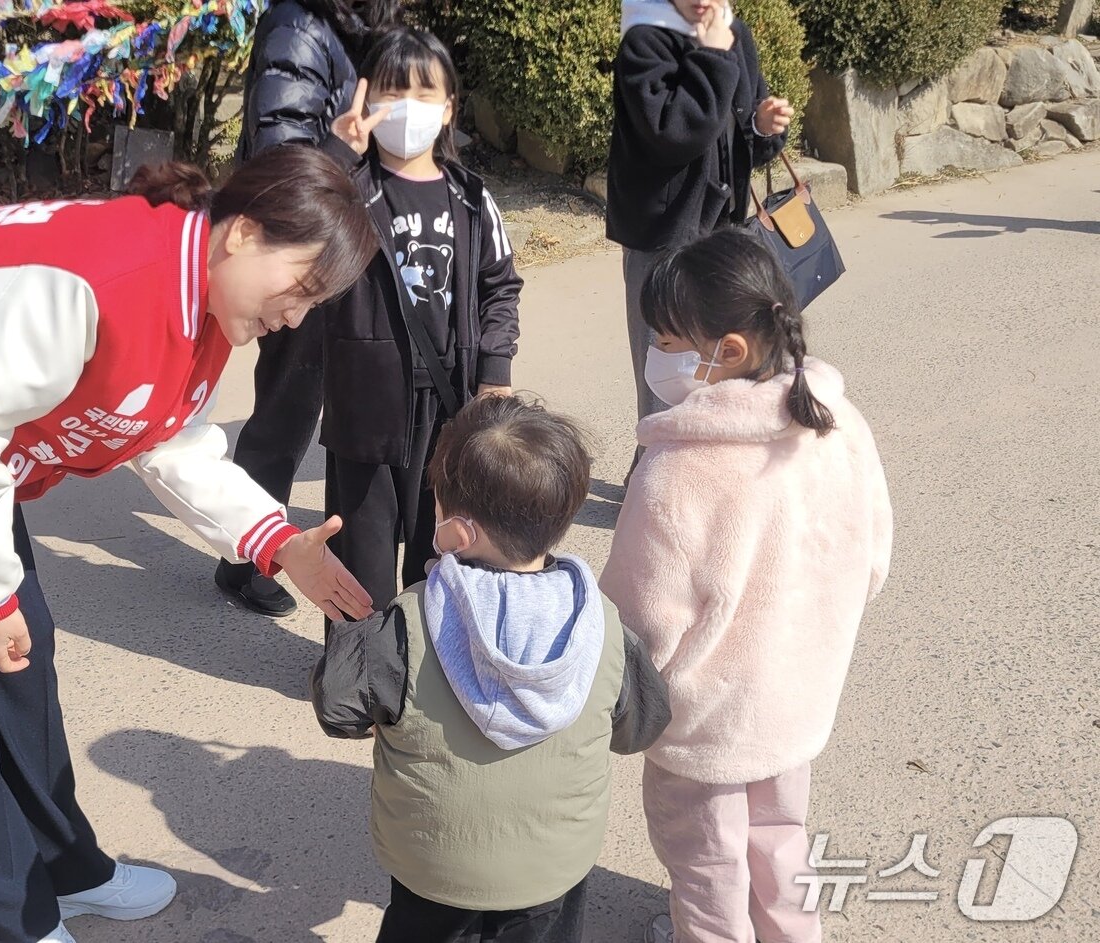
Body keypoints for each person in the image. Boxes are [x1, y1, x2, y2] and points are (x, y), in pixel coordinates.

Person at [0, 146, 378, 943]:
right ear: (244, 233)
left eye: (313, 303)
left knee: (25, 657)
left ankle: (65, 868)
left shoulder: (203, 303)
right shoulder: (90, 284)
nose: (294, 317)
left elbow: (166, 437)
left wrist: (274, 538)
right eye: (298, 289)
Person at [599, 230, 893, 943]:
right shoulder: (838, 422)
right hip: (797, 699)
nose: (657, 350)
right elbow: (872, 558)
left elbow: (639, 620)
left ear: (727, 349)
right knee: (781, 836)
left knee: (707, 863)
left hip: (706, 722)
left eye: (668, 337)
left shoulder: (680, 470)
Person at [311, 394, 672, 943]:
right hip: (553, 871)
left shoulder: (405, 626)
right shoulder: (603, 627)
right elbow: (639, 728)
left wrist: (349, 628)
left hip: (433, 870)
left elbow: (338, 708)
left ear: (457, 534)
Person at [319, 26, 522, 612]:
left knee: (442, 554)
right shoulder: (346, 191)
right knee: (363, 559)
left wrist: (494, 369)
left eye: (423, 91)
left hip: (451, 405)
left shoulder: (470, 197)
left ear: (449, 107)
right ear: (365, 101)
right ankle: (357, 678)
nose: (407, 106)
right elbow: (294, 233)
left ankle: (426, 670)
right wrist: (336, 154)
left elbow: (500, 283)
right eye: (391, 91)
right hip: (366, 406)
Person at [218, 0, 404, 617]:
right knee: (287, 408)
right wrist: (341, 148)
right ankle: (244, 558)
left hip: (342, 241)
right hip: (299, 248)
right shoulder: (298, 27)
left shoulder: (358, 32)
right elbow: (282, 157)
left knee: (320, 402)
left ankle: (259, 544)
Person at [606, 0, 794, 465]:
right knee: (665, 363)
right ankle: (655, 469)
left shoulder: (733, 33)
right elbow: (675, 132)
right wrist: (711, 56)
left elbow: (739, 132)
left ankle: (720, 464)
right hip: (662, 231)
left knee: (727, 357)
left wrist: (762, 125)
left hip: (722, 228)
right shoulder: (645, 39)